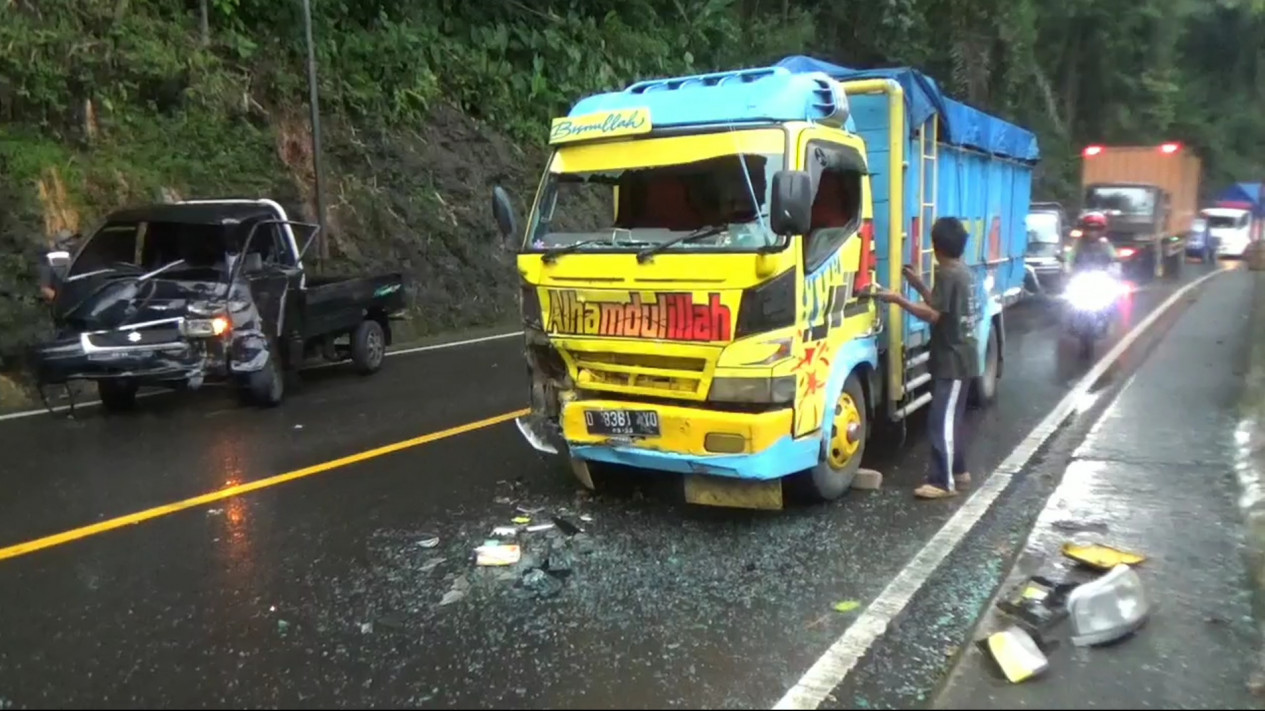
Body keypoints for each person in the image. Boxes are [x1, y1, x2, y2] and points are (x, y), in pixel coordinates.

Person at [870, 217, 980, 499]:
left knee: (939, 420)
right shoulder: (962, 271)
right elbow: (941, 304)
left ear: (937, 246)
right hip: (963, 356)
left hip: (953, 359)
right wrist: (918, 284)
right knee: (950, 419)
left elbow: (934, 315)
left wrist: (898, 300)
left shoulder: (947, 274)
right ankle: (959, 471)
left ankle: (942, 482)